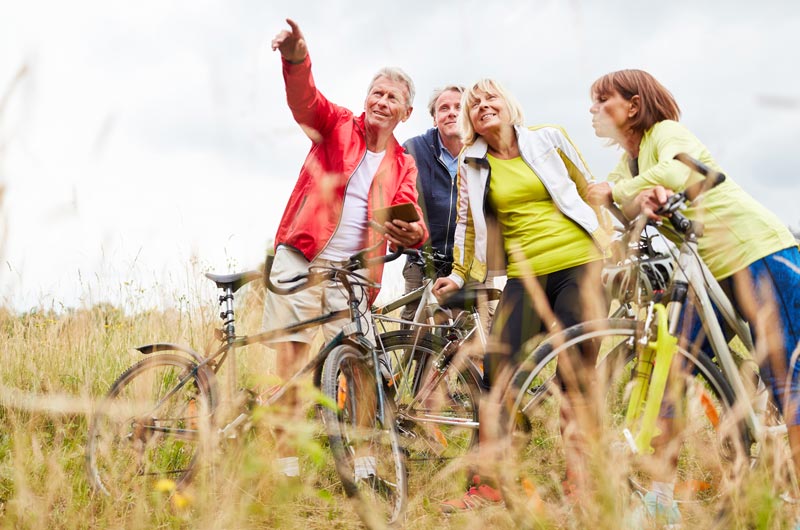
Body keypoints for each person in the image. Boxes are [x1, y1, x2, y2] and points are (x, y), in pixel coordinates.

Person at [586, 68, 800, 524]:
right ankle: (660, 499)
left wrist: (617, 193)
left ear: (634, 106)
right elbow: (627, 207)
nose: (593, 109)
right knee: (671, 369)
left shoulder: (667, 133)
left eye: (603, 100)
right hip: (706, 271)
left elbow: (678, 171)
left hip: (757, 250)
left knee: (785, 377)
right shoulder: (627, 164)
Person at [432, 78, 609, 512]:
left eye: (490, 97)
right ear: (471, 121)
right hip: (524, 276)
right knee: (496, 372)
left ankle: (580, 483)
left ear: (509, 105)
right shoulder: (472, 165)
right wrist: (458, 275)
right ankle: (488, 484)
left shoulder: (550, 139)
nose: (483, 105)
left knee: (575, 374)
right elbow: (467, 226)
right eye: (475, 103)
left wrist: (608, 243)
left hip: (579, 265)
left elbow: (589, 190)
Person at [265, 18, 428, 479]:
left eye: (392, 97)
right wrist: (297, 59)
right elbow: (305, 101)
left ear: (406, 113)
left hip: (354, 273)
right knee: (292, 363)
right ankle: (286, 463)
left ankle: (365, 462)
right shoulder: (336, 124)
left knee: (361, 364)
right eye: (377, 93)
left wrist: (414, 234)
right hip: (304, 257)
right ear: (366, 98)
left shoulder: (403, 163)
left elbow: (409, 211)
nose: (381, 102)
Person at [401, 86, 500, 327]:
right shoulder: (413, 150)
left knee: (479, 331)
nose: (451, 113)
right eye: (443, 108)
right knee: (415, 332)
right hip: (423, 259)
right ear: (434, 118)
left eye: (458, 107)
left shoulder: (486, 152)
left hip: (474, 261)